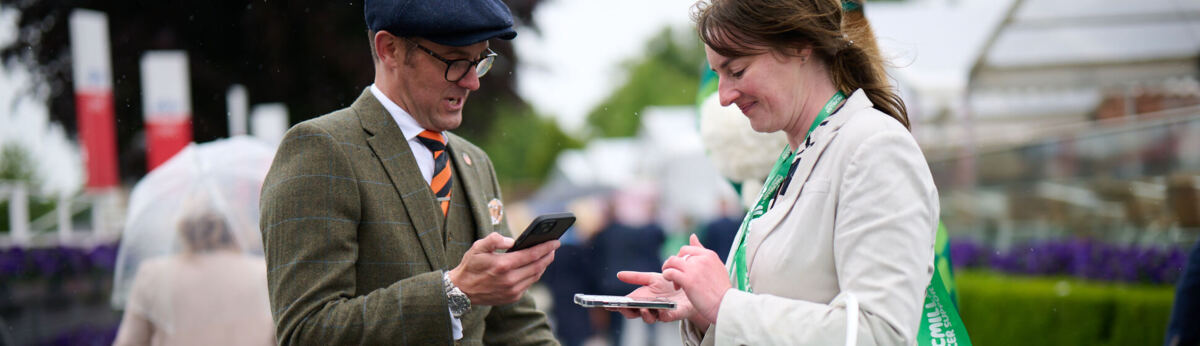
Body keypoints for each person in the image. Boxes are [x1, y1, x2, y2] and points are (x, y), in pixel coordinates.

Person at [612, 0, 939, 344]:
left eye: (736, 71)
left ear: (798, 45)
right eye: (718, 75)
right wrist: (701, 308)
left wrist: (725, 305)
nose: (723, 97)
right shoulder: (797, 157)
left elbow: (880, 334)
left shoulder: (874, 147)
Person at [258, 0, 559, 344]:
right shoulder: (320, 149)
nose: (473, 81)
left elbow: (515, 325)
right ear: (390, 50)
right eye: (457, 60)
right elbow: (306, 331)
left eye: (480, 61)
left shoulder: (475, 162)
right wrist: (452, 292)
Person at [114, 211, 275, 346]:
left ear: (184, 228)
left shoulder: (154, 274)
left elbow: (130, 341)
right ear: (236, 227)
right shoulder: (265, 272)